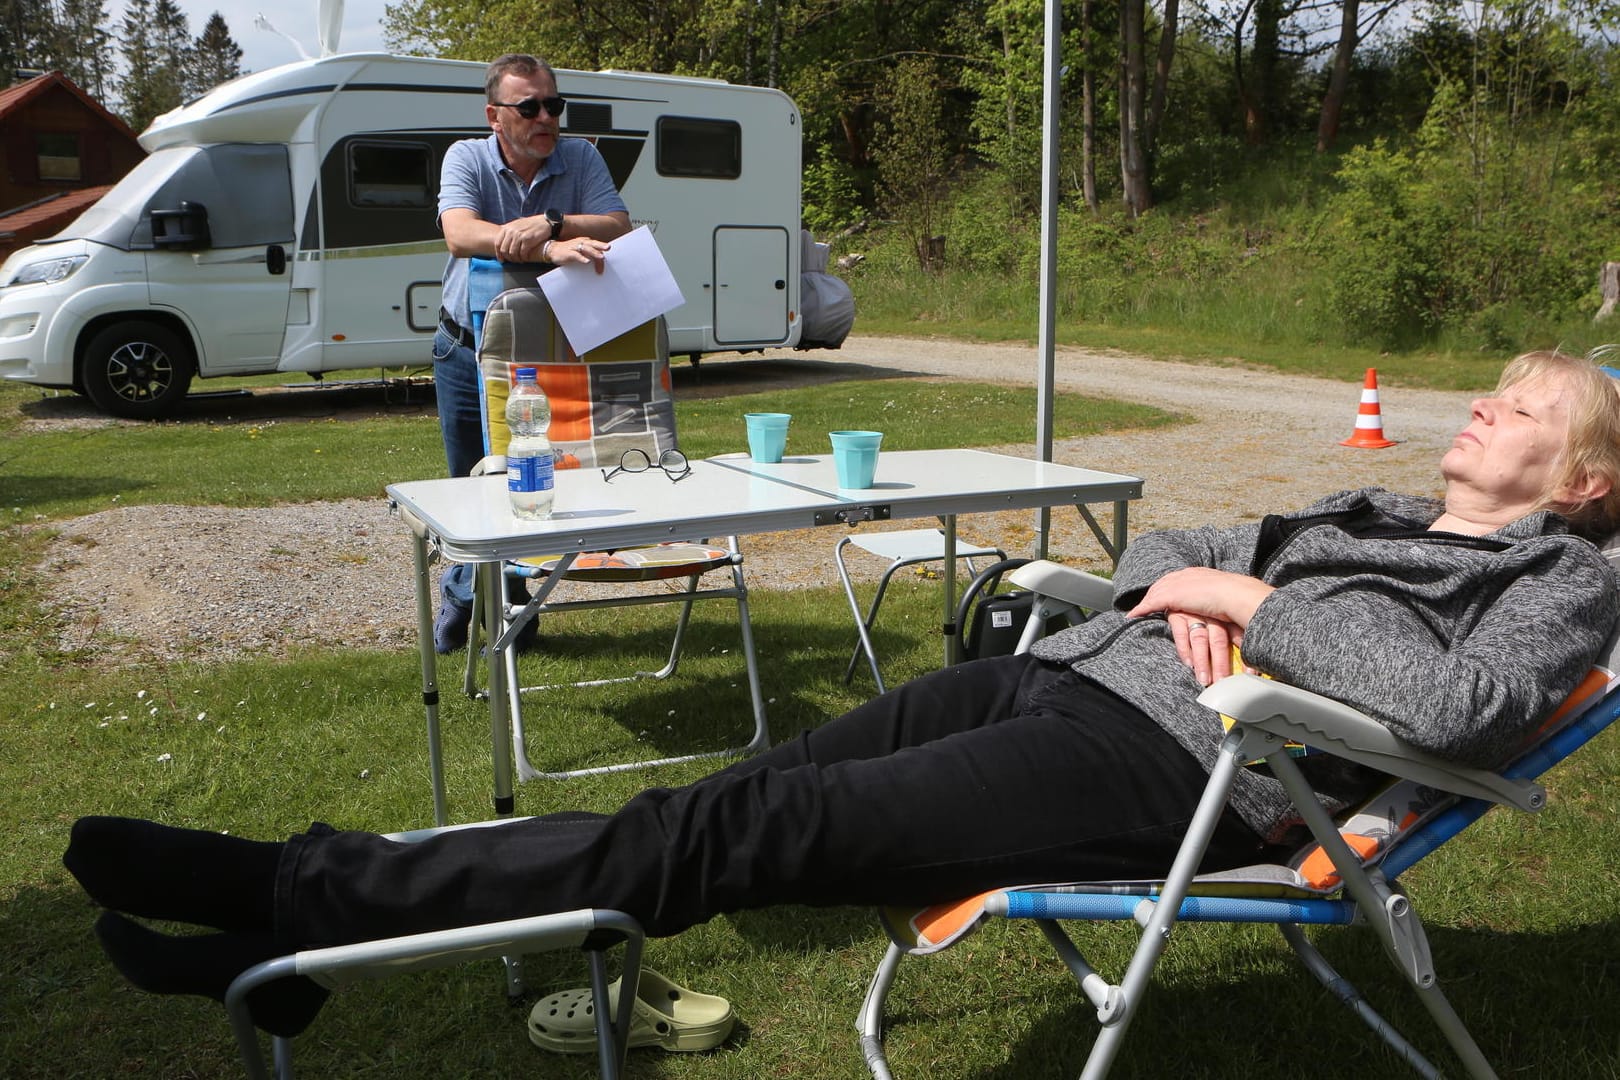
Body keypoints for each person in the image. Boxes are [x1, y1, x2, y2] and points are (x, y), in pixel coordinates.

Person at [64, 350, 1620, 1040]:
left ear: (1584, 479)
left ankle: (289, 895)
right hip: (1064, 680)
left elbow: (1464, 709)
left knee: (725, 841)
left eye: (1525, 407)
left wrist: (1250, 610)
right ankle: (308, 934)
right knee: (728, 803)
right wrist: (1189, 587)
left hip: (1186, 775)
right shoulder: (1392, 521)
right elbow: (1169, 540)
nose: (1484, 403)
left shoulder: (1562, 583)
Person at [432, 53, 633, 652]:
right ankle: (464, 594)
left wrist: (549, 221)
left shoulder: (582, 157)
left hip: (545, 356)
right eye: (530, 107)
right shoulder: (466, 156)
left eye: (554, 105)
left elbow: (618, 224)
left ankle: (517, 612)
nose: (546, 117)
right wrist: (538, 249)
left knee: (530, 484)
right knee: (471, 487)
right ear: (495, 116)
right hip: (466, 349)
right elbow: (459, 232)